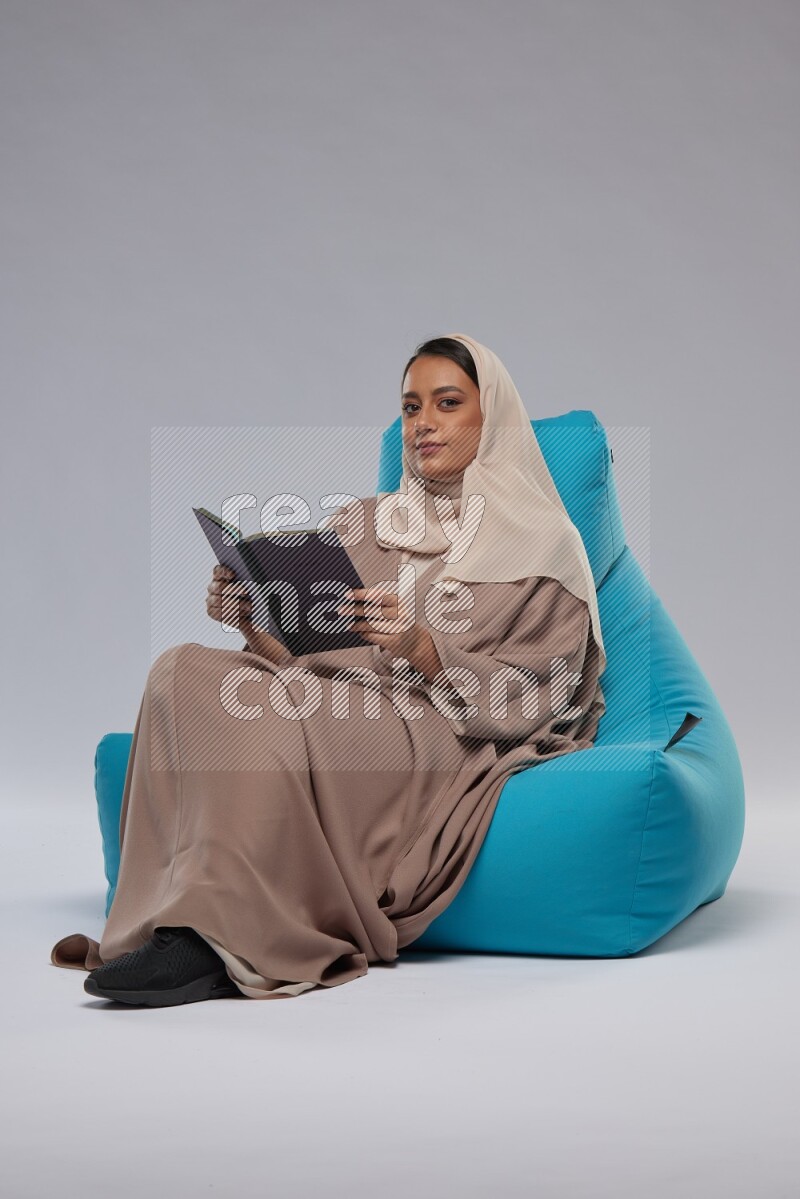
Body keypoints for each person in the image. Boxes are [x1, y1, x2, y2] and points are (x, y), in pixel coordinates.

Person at [50, 332, 607, 1005]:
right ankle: (164, 920)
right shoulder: (368, 523)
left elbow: (543, 692)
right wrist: (252, 618)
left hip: (439, 724)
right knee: (182, 670)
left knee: (285, 712)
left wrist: (423, 647)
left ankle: (217, 939)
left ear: (493, 418)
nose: (423, 423)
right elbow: (308, 658)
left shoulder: (544, 542)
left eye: (447, 403)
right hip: (341, 694)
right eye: (410, 407)